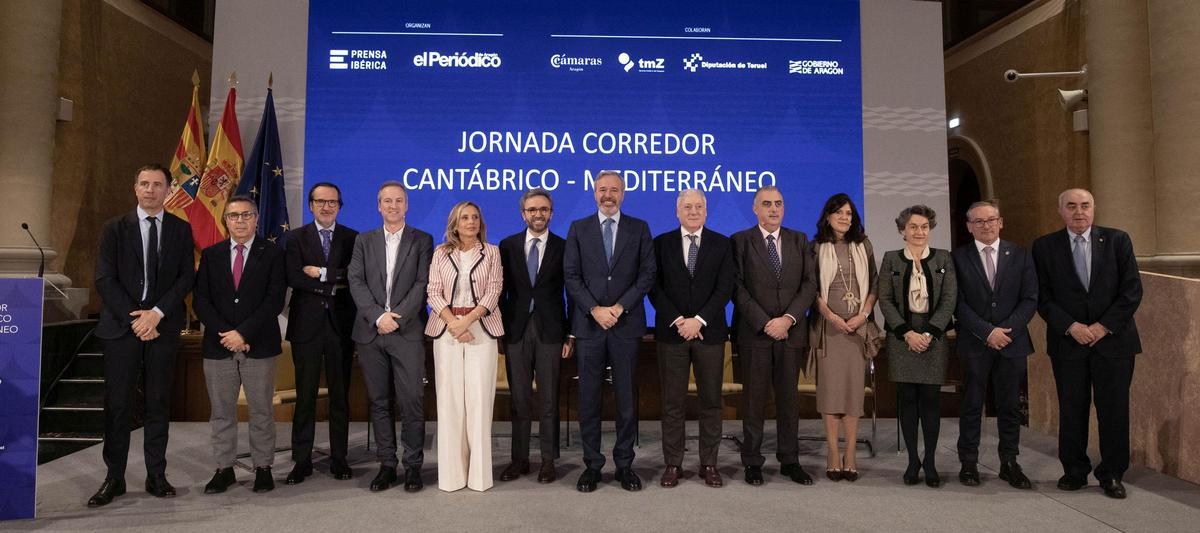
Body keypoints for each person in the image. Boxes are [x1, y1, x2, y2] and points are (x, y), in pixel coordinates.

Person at [88, 164, 195, 507]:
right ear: (135, 188)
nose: (150, 190)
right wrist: (136, 318)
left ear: (168, 190)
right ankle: (114, 477)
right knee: (118, 405)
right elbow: (105, 279)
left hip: (161, 328)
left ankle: (156, 474)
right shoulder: (114, 229)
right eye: (144, 184)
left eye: (157, 184)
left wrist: (156, 314)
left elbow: (184, 278)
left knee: (158, 403)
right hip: (122, 329)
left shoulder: (181, 229)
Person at [1032, 188, 1142, 499]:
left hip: (1114, 343)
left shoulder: (1118, 240)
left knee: (1114, 410)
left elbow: (1131, 291)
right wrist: (1072, 327)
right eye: (1071, 206)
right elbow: (1042, 297)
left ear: (1094, 208)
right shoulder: (1044, 246)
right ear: (1061, 210)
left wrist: (1102, 327)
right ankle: (1074, 471)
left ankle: (1112, 474)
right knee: (1072, 408)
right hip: (1069, 343)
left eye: (1085, 205)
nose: (1078, 212)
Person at [564, 170, 656, 492]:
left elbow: (647, 275)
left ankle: (624, 465)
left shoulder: (639, 228)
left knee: (626, 400)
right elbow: (571, 276)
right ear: (594, 193)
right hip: (590, 326)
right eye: (602, 189)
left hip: (625, 325)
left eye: (614, 190)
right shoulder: (578, 229)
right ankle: (592, 465)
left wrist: (618, 308)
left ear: (623, 193)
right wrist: (594, 309)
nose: (608, 195)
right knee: (589, 399)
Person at [193, 194, 287, 494]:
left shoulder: (272, 253)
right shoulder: (211, 255)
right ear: (226, 220)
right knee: (221, 412)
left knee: (261, 411)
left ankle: (263, 467)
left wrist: (243, 334)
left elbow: (274, 300)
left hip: (258, 345)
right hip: (219, 346)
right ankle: (224, 468)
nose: (240, 221)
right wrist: (227, 333)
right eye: (234, 216)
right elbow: (201, 301)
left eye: (246, 215)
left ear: (256, 219)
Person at [348, 181, 434, 493]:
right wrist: (378, 316)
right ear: (378, 206)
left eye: (399, 200)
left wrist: (396, 317)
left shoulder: (422, 239)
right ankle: (387, 464)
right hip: (370, 332)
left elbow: (423, 283)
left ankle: (413, 466)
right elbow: (355, 280)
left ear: (407, 205)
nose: (393, 206)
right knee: (379, 401)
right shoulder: (363, 240)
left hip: (407, 331)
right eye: (387, 201)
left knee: (412, 401)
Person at [730, 186, 818, 486]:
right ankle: (752, 461)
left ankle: (789, 460)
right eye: (766, 204)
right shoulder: (740, 241)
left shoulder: (799, 239)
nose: (773, 209)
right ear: (755, 208)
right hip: (755, 333)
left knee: (789, 400)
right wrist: (765, 322)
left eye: (778, 203)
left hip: (790, 334)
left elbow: (809, 285)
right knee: (754, 400)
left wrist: (788, 319)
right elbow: (737, 287)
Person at [649, 189, 735, 488]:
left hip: (709, 334)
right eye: (688, 206)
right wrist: (679, 321)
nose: (694, 211)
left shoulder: (723, 245)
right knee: (672, 403)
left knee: (711, 402)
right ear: (677, 212)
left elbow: (725, 288)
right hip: (671, 335)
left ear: (706, 211)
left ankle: (709, 464)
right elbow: (654, 288)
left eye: (699, 206)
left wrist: (697, 320)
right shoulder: (660, 244)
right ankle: (673, 464)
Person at [952, 200, 1037, 489]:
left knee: (1010, 406)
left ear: (1000, 222)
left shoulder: (1020, 254)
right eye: (979, 221)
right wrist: (987, 332)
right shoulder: (958, 257)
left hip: (1012, 343)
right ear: (969, 226)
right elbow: (957, 302)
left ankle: (1009, 462)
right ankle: (968, 463)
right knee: (972, 405)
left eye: (991, 220)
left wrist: (1005, 331)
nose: (986, 225)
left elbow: (1030, 299)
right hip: (975, 343)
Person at [424, 201, 504, 492]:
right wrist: (453, 322)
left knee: (479, 403)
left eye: (475, 217)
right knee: (450, 403)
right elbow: (433, 291)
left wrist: (467, 321)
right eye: (464, 218)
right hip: (446, 332)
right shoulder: (440, 253)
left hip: (481, 330)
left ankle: (479, 478)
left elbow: (494, 290)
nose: (470, 222)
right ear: (454, 224)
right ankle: (452, 477)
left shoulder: (492, 252)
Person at [283, 182, 358, 484]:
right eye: (320, 202)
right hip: (306, 328)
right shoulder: (295, 238)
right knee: (306, 396)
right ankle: (302, 460)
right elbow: (293, 277)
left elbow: (354, 276)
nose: (326, 207)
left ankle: (339, 458)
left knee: (340, 397)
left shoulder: (353, 238)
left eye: (332, 202)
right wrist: (331, 285)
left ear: (340, 206)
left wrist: (322, 274)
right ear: (310, 205)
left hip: (341, 327)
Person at [877, 205, 956, 488]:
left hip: (933, 340)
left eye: (923, 227)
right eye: (913, 227)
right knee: (907, 401)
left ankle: (931, 461)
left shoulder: (944, 258)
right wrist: (907, 333)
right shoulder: (891, 260)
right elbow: (884, 299)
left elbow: (949, 299)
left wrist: (930, 333)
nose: (919, 232)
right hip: (902, 340)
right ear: (902, 230)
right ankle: (913, 460)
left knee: (931, 402)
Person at [497, 189, 572, 484]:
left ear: (551, 213)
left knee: (549, 401)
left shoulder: (564, 247)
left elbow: (572, 293)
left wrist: (571, 334)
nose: (537, 214)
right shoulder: (508, 246)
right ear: (523, 214)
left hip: (551, 331)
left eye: (543, 209)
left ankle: (548, 461)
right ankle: (520, 459)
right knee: (519, 399)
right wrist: (500, 332)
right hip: (515, 331)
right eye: (532, 210)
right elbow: (498, 292)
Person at [808, 193, 877, 482]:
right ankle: (832, 453)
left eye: (849, 213)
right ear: (827, 216)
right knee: (831, 394)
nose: (845, 217)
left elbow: (874, 285)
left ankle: (850, 453)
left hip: (857, 330)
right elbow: (812, 290)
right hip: (829, 329)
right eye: (839, 213)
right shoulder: (815, 247)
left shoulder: (864, 244)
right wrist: (833, 317)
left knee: (851, 395)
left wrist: (862, 316)